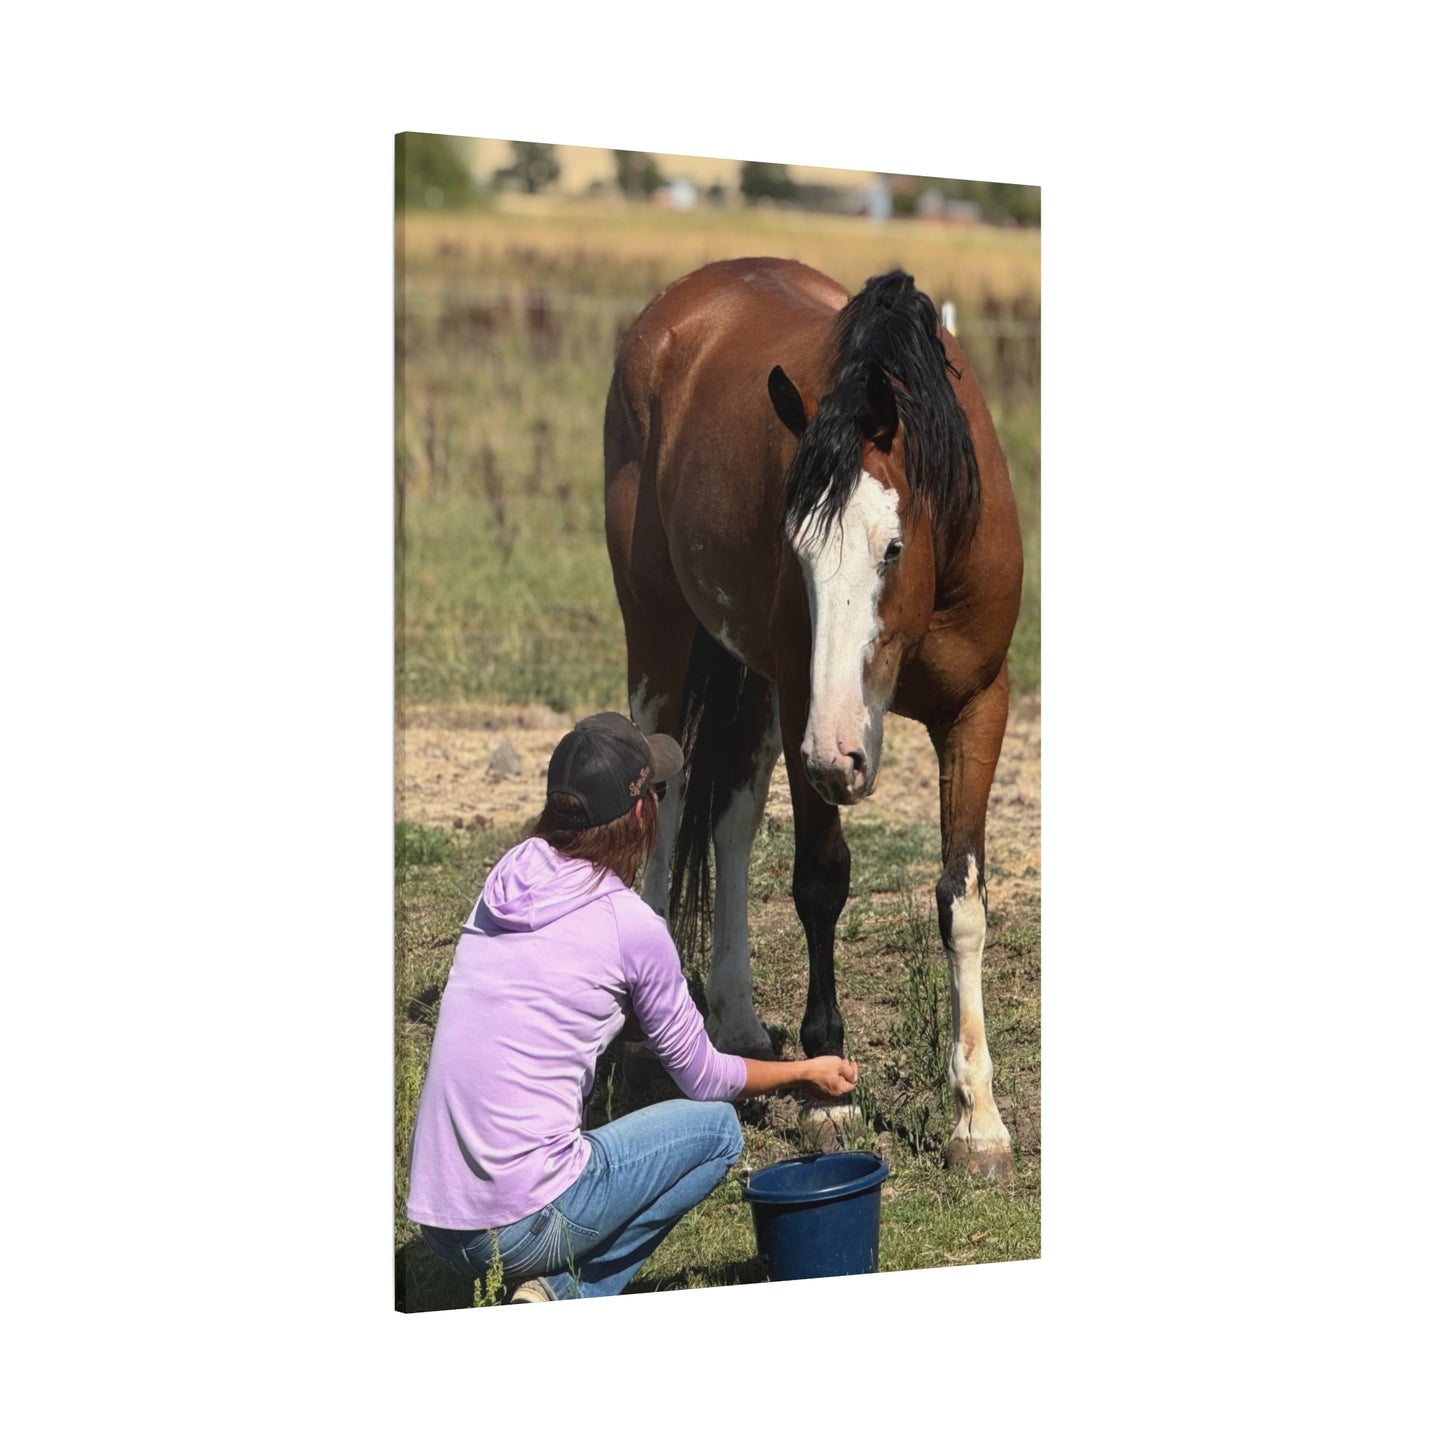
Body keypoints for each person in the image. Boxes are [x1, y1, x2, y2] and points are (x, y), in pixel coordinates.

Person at [406, 711, 858, 1303]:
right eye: (659, 792)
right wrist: (804, 1070)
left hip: (437, 1218)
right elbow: (704, 1078)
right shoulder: (629, 925)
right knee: (719, 1131)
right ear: (642, 812)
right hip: (522, 1222)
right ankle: (561, 1295)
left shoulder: (505, 880)